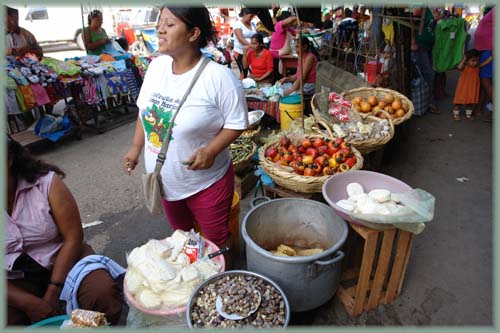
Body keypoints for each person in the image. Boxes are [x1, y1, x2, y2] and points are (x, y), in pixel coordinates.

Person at [122, 6, 248, 267]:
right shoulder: (156, 68)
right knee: (182, 237)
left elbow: (236, 123)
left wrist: (211, 150)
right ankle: (196, 276)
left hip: (206, 183)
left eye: (169, 24)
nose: (159, 29)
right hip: (167, 183)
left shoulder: (219, 77)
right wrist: (135, 148)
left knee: (216, 239)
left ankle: (225, 280)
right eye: (160, 23)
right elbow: (146, 111)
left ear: (193, 33)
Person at [6, 136, 123, 326]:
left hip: (66, 261)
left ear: (9, 160)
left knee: (101, 294)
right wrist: (28, 303)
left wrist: (53, 291)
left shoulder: (46, 183)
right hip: (15, 279)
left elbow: (73, 237)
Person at [411, 6, 439, 114]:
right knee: (428, 75)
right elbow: (411, 23)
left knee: (428, 74)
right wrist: (413, 42)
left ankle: (426, 102)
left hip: (429, 47)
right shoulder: (419, 7)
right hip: (420, 46)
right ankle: (429, 103)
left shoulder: (432, 7)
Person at [452, 49, 481, 120]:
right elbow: (459, 67)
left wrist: (490, 58)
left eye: (477, 60)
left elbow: (484, 63)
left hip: (472, 88)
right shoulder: (464, 67)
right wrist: (464, 59)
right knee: (459, 102)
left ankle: (468, 114)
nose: (475, 63)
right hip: (463, 88)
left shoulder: (477, 67)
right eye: (473, 61)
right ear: (467, 61)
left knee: (470, 102)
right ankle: (456, 114)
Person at [269, 10, 298, 81]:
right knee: (278, 77)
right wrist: (298, 17)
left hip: (284, 54)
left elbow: (296, 33)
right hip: (276, 56)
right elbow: (290, 19)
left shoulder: (288, 29)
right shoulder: (278, 25)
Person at [232, 8, 257, 79]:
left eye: (253, 16)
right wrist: (253, 46)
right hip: (240, 52)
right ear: (245, 15)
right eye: (250, 16)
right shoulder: (237, 25)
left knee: (253, 70)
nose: (251, 18)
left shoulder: (253, 24)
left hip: (251, 51)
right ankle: (242, 86)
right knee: (243, 71)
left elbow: (256, 36)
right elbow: (241, 39)